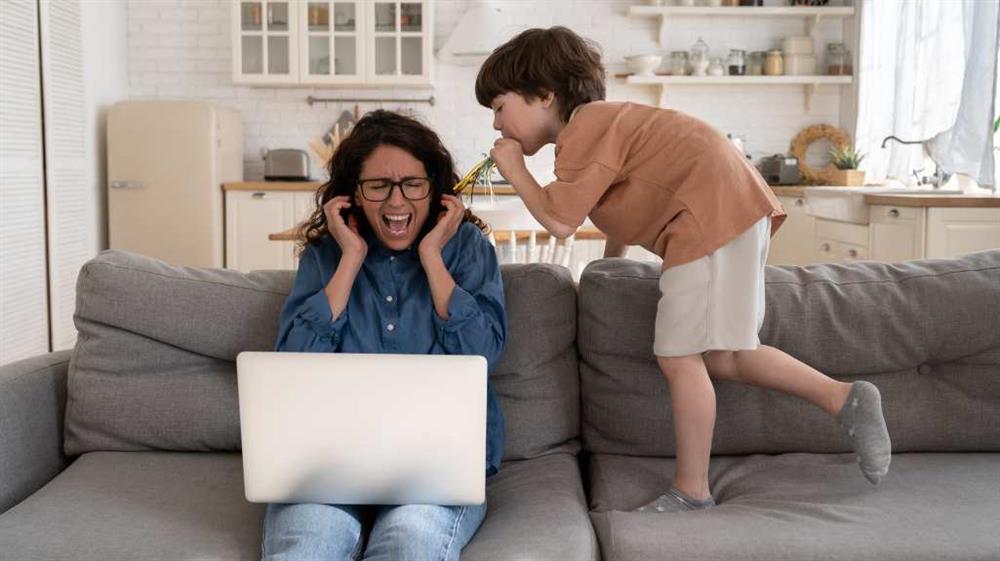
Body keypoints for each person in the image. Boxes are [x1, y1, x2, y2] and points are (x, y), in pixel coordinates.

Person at [477, 26, 890, 513]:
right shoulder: (601, 128)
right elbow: (626, 204)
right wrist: (610, 268)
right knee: (725, 356)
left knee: (678, 357)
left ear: (544, 95)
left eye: (500, 107)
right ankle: (844, 399)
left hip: (709, 215)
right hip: (728, 212)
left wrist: (514, 170)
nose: (497, 126)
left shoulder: (585, 130)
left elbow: (561, 221)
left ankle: (692, 490)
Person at [262, 110, 506, 559]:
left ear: (434, 189)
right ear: (353, 194)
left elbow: (482, 353)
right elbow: (293, 364)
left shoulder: (468, 251)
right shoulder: (326, 256)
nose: (397, 202)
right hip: (328, 463)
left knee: (408, 548)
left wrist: (432, 256)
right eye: (378, 186)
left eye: (412, 183)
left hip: (438, 467)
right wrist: (350, 257)